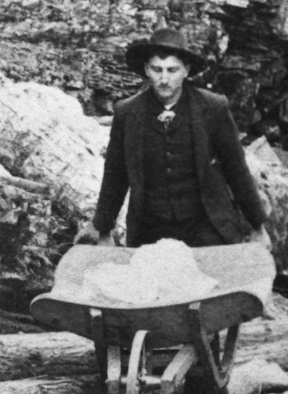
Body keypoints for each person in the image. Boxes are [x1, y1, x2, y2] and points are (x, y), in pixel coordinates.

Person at [78, 28, 268, 248]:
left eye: (172, 70)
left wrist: (258, 226)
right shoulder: (128, 113)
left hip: (206, 227)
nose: (164, 79)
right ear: (146, 69)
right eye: (157, 69)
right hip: (150, 230)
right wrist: (104, 230)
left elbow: (236, 169)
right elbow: (115, 175)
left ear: (186, 70)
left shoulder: (213, 108)